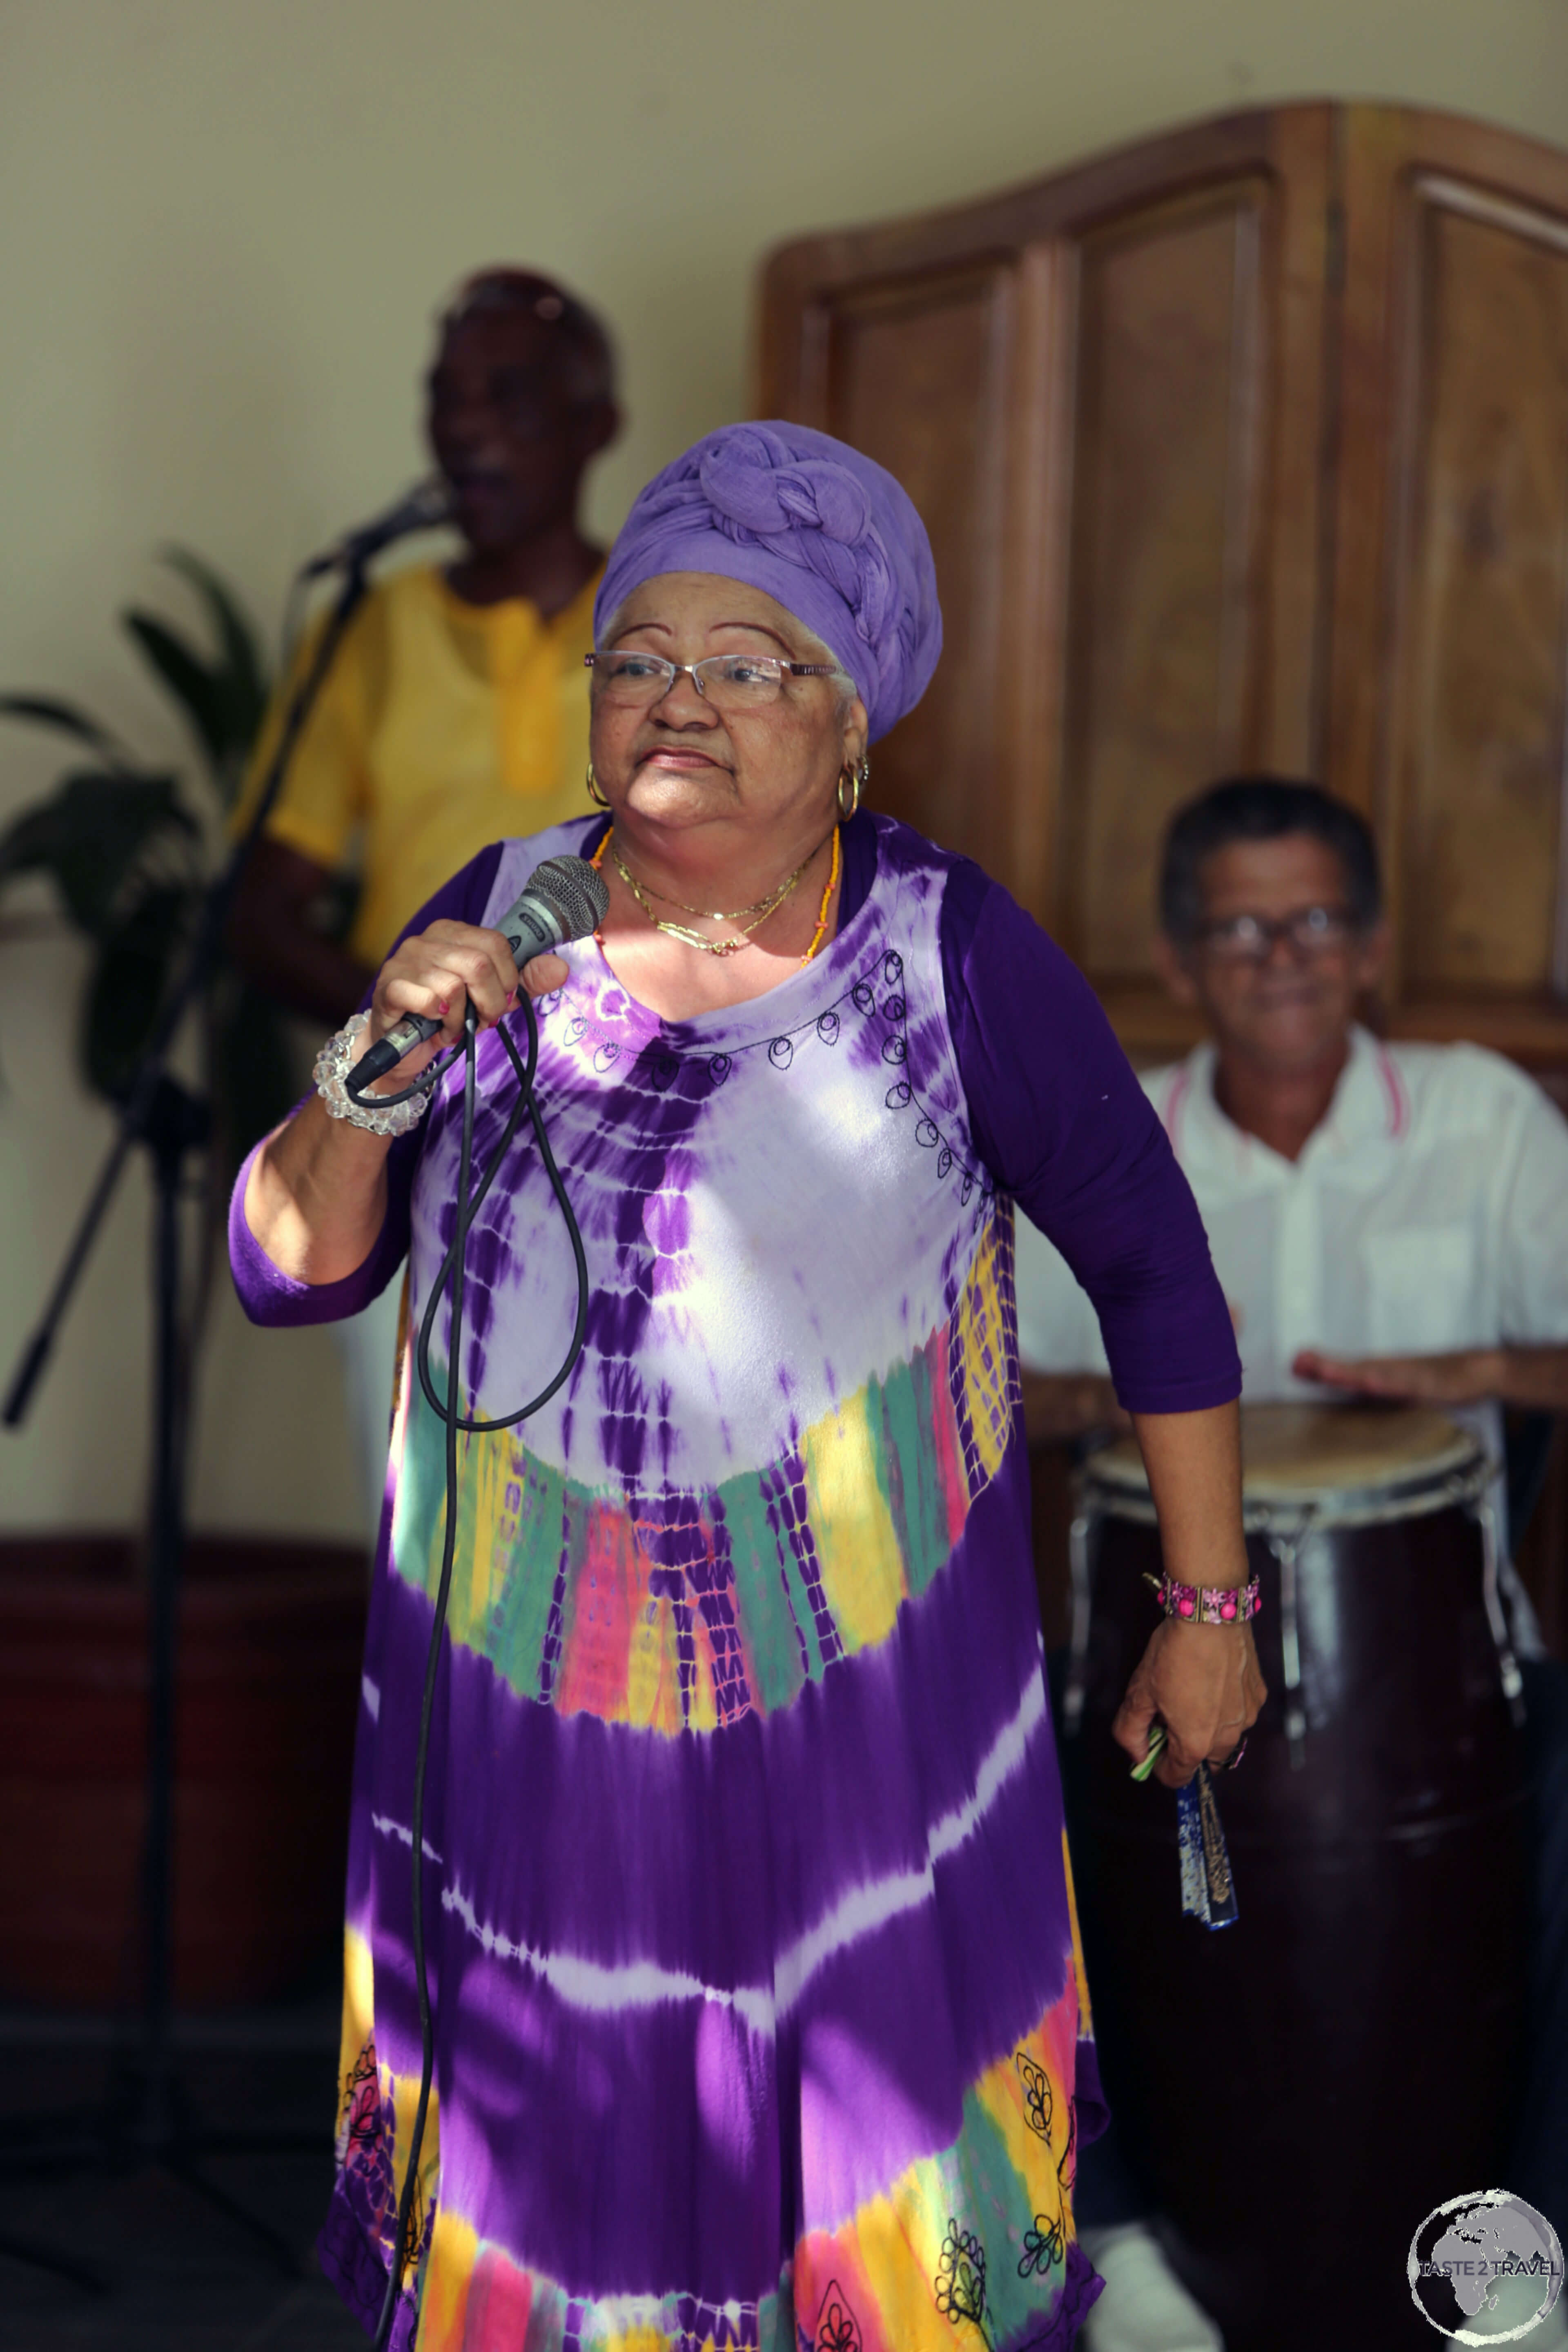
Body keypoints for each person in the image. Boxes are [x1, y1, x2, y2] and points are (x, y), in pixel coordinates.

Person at [231, 422, 1262, 2350]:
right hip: (534, 1715)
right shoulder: (498, 905)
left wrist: (1205, 1610)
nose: (674, 698)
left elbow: (1154, 1269)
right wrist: (372, 1067)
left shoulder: (951, 950)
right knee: (563, 2190)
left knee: (867, 2215)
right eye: (639, 658)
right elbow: (285, 1271)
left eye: (743, 660)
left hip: (858, 1733)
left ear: (849, 717)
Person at [1017, 775, 1568, 2349]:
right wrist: (1165, 1391)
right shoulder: (1115, 1139)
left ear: (1376, 946)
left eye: (1317, 919)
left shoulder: (1482, 1119)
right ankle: (1118, 2242)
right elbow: (990, 1380)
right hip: (1152, 1661)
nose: (1284, 956)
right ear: (1184, 961)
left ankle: (1519, 2264)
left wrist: (1475, 1367)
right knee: (1010, 1824)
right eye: (1241, 927)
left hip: (1449, 1670)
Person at [229, 265, 619, 1527]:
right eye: (445, 398)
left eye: (508, 395)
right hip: (415, 1128)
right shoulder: (371, 627)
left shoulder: (656, 626)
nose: (466, 426)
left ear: (595, 419)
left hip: (628, 1121)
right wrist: (418, 1032)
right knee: (427, 1522)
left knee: (622, 1503)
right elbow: (260, 909)